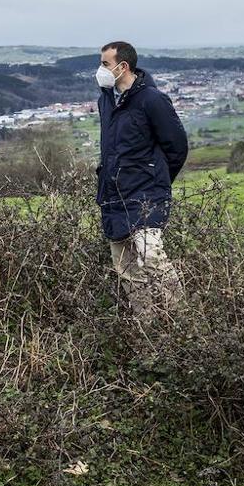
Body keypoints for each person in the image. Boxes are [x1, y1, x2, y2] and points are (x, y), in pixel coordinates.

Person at [94, 41, 189, 325]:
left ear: (123, 66)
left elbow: (177, 147)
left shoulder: (152, 100)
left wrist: (156, 179)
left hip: (146, 194)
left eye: (105, 64)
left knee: (152, 257)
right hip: (114, 195)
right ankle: (147, 328)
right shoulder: (106, 101)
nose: (100, 70)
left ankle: (186, 325)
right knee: (126, 270)